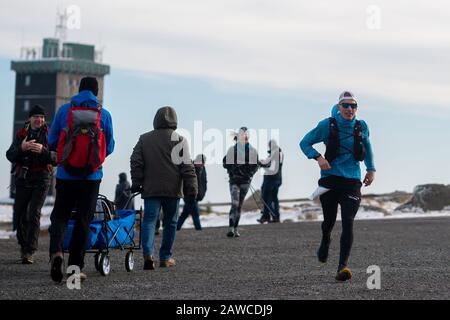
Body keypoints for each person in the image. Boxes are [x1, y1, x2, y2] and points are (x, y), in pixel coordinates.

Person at [300, 91, 375, 281]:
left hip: (352, 181)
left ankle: (343, 267)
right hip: (330, 180)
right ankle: (325, 241)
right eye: (346, 105)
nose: (350, 109)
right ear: (339, 107)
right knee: (329, 222)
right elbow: (304, 143)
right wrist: (318, 158)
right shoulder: (327, 125)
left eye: (353, 106)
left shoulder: (361, 126)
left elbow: (367, 147)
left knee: (348, 221)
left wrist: (371, 169)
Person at [47, 77, 115, 282]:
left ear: (79, 89)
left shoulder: (64, 110)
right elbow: (109, 147)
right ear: (96, 91)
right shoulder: (104, 114)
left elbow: (51, 141)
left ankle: (57, 253)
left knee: (60, 215)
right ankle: (75, 268)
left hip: (66, 174)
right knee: (83, 221)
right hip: (91, 176)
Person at [130, 106, 197, 270]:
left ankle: (148, 254)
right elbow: (187, 166)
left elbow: (136, 160)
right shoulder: (180, 140)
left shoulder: (144, 139)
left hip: (151, 189)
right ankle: (165, 258)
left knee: (149, 221)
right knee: (170, 223)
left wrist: (136, 182)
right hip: (172, 190)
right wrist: (192, 187)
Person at [6, 105, 56, 264]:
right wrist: (22, 148)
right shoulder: (21, 134)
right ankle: (23, 245)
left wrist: (44, 151)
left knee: (33, 212)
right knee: (19, 213)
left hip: (42, 177)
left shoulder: (50, 134)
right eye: (36, 116)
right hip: (23, 178)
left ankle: (30, 251)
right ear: (29, 118)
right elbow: (9, 154)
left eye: (41, 117)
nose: (39, 120)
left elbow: (58, 158)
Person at [223, 127, 259, 238]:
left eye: (246, 134)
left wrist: (250, 173)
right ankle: (230, 228)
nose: (245, 136)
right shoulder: (232, 150)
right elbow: (224, 163)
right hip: (234, 181)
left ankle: (236, 228)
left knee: (239, 205)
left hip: (245, 182)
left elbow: (256, 165)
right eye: (242, 134)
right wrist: (232, 169)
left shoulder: (253, 151)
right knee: (234, 203)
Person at [177, 154, 208, 231]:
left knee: (185, 213)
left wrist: (202, 193)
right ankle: (198, 229)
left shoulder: (202, 169)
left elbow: (204, 182)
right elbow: (186, 182)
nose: (202, 164)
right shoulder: (190, 167)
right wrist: (189, 193)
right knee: (195, 212)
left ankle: (176, 227)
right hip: (189, 194)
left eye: (203, 162)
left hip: (196, 195)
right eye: (201, 162)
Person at [257, 140, 283, 223]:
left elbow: (269, 165)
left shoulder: (275, 154)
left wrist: (260, 163)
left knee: (266, 198)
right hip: (277, 179)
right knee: (273, 199)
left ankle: (267, 216)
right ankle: (274, 217)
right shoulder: (278, 153)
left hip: (271, 179)